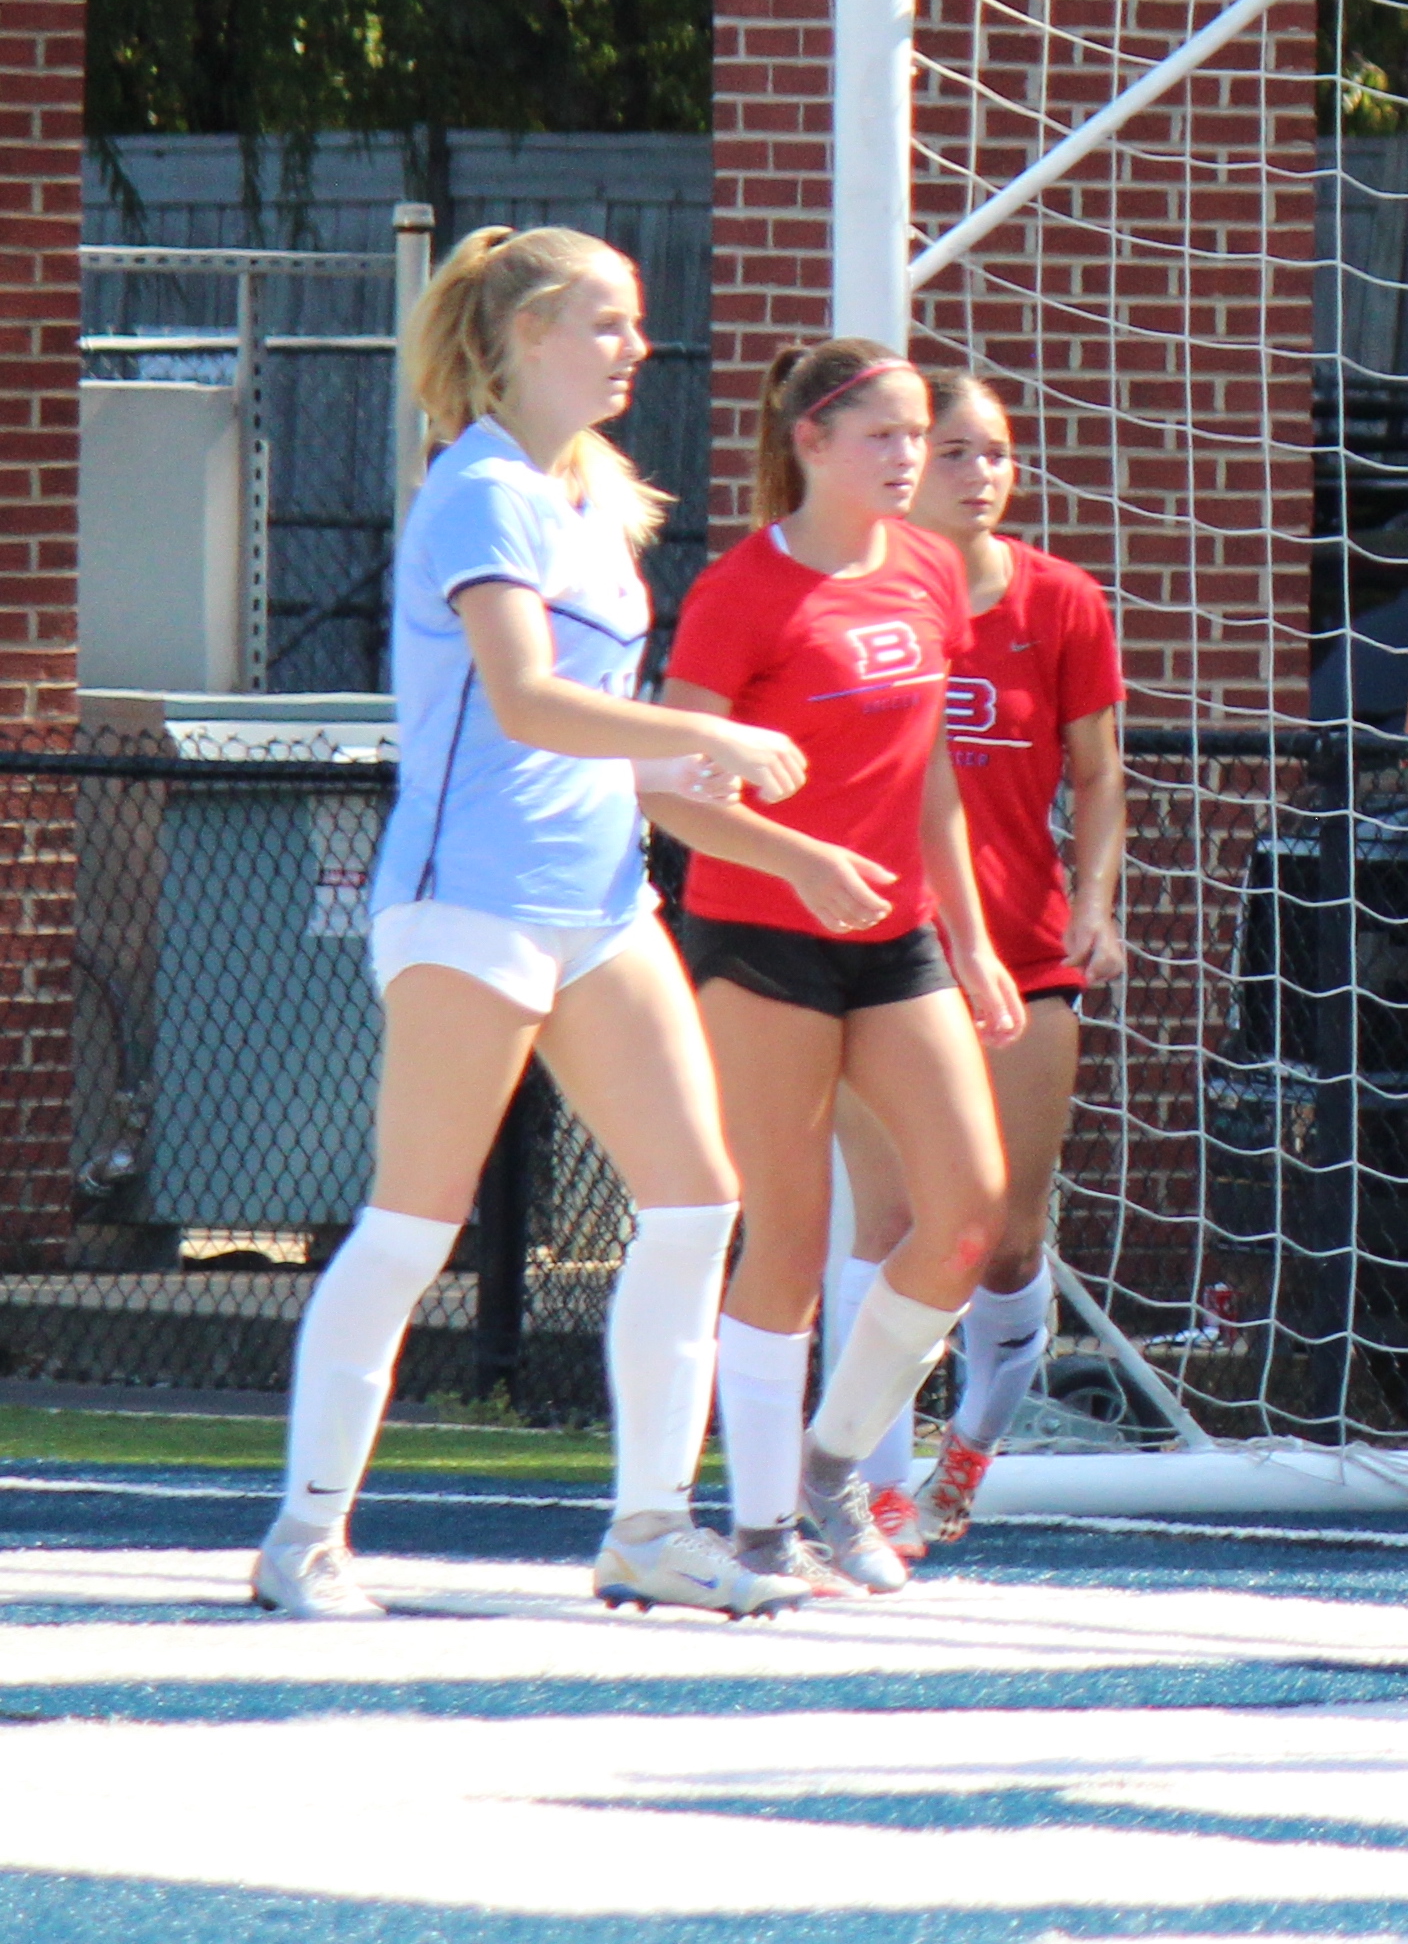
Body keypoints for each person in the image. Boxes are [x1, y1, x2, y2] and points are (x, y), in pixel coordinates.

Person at [252, 230, 810, 1622]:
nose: (636, 346)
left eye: (637, 322)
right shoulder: (477, 489)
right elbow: (529, 706)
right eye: (607, 324)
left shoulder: (589, 502)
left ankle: (647, 1530)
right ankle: (304, 1539)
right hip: (469, 906)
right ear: (524, 339)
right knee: (409, 1229)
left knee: (695, 1203)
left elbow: (604, 755)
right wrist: (718, 735)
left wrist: (765, 831)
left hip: (600, 901)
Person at [650, 340, 1027, 1598]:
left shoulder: (927, 571)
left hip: (894, 934)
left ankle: (832, 1463)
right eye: (884, 435)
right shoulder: (742, 591)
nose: (911, 457)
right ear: (811, 442)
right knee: (792, 1237)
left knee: (968, 1213)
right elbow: (670, 792)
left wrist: (970, 940)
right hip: (761, 934)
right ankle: (760, 1530)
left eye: (921, 433)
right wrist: (797, 857)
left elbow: (927, 773)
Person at [825, 372, 1130, 1555]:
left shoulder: (1060, 603)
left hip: (1021, 948)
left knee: (1001, 1232)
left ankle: (975, 1443)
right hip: (887, 951)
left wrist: (1092, 908)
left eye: (994, 453)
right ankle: (867, 1491)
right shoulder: (857, 597)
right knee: (894, 1222)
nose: (977, 473)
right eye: (953, 450)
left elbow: (1099, 772)